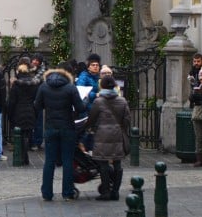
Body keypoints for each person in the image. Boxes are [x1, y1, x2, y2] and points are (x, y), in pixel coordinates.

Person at [34, 63, 85, 201]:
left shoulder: (44, 86)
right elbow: (80, 108)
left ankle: (47, 193)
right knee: (67, 160)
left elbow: (37, 106)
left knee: (49, 161)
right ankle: (67, 192)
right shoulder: (70, 87)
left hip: (50, 127)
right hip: (67, 127)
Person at [86, 76, 130, 201]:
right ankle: (115, 191)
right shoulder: (122, 101)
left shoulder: (98, 101)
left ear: (102, 86)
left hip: (101, 135)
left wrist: (89, 128)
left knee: (103, 163)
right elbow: (127, 119)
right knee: (117, 163)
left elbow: (92, 118)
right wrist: (122, 129)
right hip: (117, 134)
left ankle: (105, 192)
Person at [7, 63, 40, 165]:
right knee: (27, 134)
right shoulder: (34, 85)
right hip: (30, 110)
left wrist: (9, 114)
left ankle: (22, 157)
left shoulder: (16, 86)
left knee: (19, 136)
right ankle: (25, 157)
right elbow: (37, 100)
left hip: (18, 111)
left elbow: (11, 102)